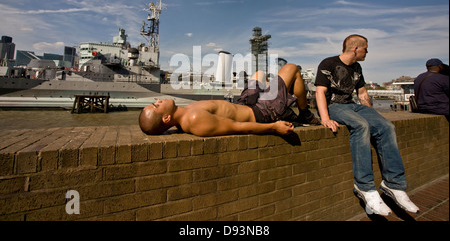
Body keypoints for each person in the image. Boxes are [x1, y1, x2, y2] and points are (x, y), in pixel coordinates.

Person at [314, 34, 419, 216]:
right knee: (360, 126)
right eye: (366, 48)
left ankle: (393, 184)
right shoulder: (328, 63)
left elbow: (362, 93)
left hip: (351, 106)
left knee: (386, 126)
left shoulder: (357, 67)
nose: (367, 52)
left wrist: (373, 116)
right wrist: (324, 118)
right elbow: (320, 92)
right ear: (356, 48)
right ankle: (364, 187)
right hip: (334, 106)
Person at [139, 63, 320, 137]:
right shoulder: (194, 120)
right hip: (262, 112)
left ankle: (282, 101)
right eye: (156, 105)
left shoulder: (181, 117)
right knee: (292, 68)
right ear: (165, 118)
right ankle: (303, 114)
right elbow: (238, 127)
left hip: (245, 104)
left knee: (259, 73)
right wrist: (274, 126)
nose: (158, 100)